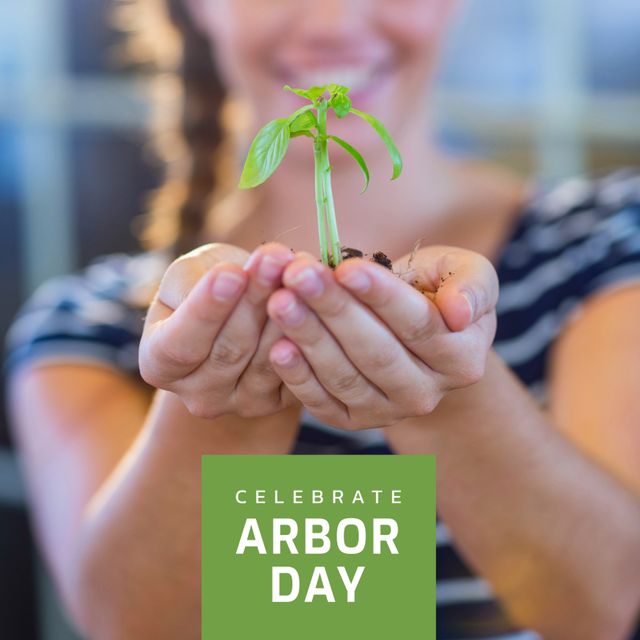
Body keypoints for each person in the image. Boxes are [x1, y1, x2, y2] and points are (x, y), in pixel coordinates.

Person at [5, 0, 640, 638]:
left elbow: (599, 608)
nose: (334, 21)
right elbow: (132, 624)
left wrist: (446, 383)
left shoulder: (606, 249)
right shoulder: (90, 327)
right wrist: (220, 401)